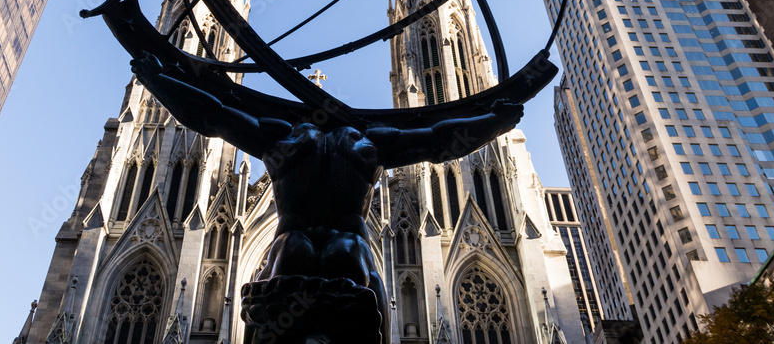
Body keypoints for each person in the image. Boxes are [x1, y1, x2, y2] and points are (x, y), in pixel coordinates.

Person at [130, 53, 524, 342]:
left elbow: (211, 115)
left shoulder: (282, 137)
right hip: (348, 251)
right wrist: (496, 120)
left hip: (292, 249)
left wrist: (157, 79)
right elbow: (440, 142)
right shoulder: (367, 142)